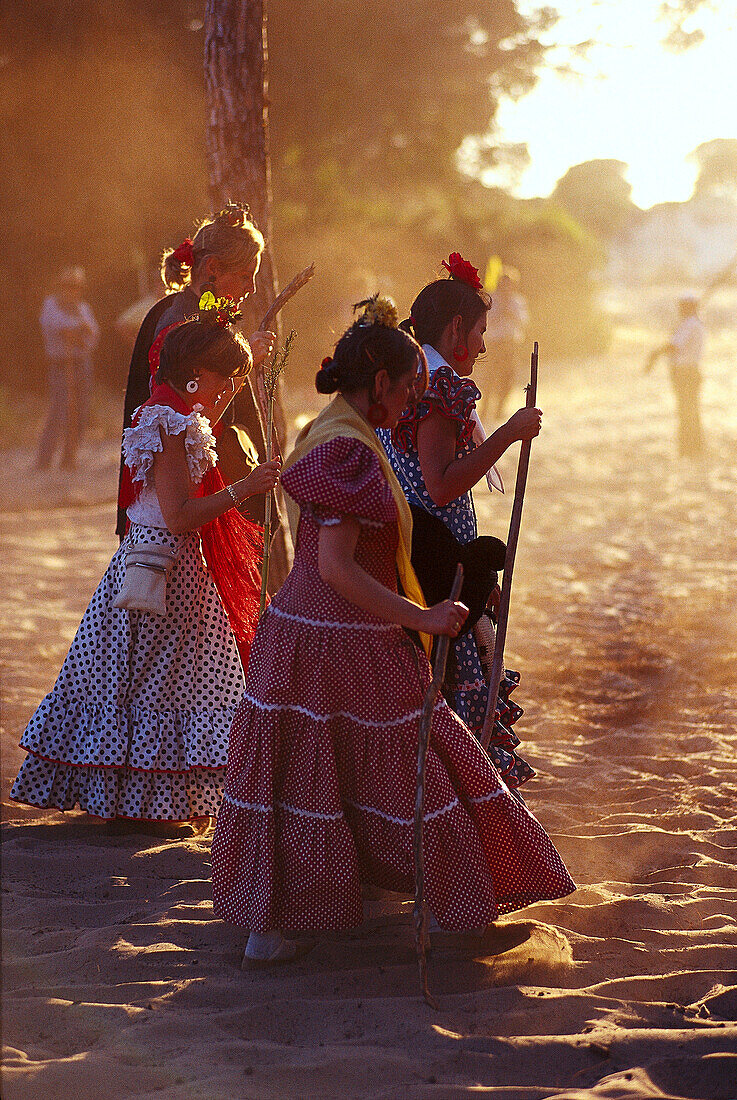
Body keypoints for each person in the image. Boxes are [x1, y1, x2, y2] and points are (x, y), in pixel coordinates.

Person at [211, 295, 574, 966]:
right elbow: (337, 568)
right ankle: (455, 910)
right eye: (408, 389)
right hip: (346, 638)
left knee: (306, 775)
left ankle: (282, 923)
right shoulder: (346, 448)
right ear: (380, 384)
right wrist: (423, 617)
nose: (412, 403)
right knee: (414, 765)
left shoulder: (330, 428)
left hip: (300, 635)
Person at [11, 301, 281, 828]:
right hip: (164, 571)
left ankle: (140, 799)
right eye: (226, 381)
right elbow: (179, 515)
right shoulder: (171, 422)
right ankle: (144, 804)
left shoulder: (173, 413)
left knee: (149, 684)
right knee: (172, 684)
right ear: (196, 375)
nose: (230, 392)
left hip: (158, 566)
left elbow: (195, 445)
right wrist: (242, 489)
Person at [379, 252, 542, 793]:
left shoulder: (406, 376)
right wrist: (509, 433)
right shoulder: (438, 387)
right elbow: (442, 483)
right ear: (456, 330)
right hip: (432, 557)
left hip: (403, 551)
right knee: (448, 687)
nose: (485, 345)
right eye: (480, 331)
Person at [116, 201, 291, 589]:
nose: (252, 289)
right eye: (247, 275)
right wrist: (243, 366)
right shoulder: (181, 324)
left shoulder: (202, 315)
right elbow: (181, 418)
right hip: (189, 515)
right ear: (211, 268)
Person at [35, 266, 100, 470]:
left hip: (81, 363)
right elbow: (61, 329)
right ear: (61, 287)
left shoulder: (83, 308)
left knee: (80, 412)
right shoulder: (50, 305)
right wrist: (77, 331)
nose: (72, 290)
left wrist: (77, 332)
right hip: (61, 364)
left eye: (77, 287)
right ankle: (44, 460)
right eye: (68, 286)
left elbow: (92, 335)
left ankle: (69, 459)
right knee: (59, 411)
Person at [644, 295, 706, 457]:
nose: (680, 309)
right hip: (691, 371)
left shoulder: (689, 325)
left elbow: (674, 346)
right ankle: (694, 448)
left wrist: (655, 354)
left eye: (682, 306)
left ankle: (688, 450)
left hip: (685, 372)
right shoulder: (694, 324)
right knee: (690, 410)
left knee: (686, 411)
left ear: (688, 307)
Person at [481, 268, 528, 421]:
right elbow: (485, 321)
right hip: (494, 344)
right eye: (503, 283)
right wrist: (500, 311)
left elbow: (524, 322)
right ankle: (484, 410)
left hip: (510, 345)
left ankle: (499, 412)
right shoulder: (491, 299)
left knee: (507, 379)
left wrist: (510, 312)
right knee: (490, 378)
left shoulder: (518, 301)